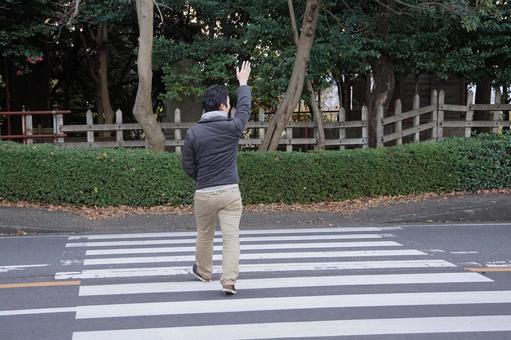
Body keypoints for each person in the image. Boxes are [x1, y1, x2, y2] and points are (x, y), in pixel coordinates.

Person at [181, 61, 252, 295]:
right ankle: (229, 281)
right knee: (231, 237)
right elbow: (245, 109)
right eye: (228, 104)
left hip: (204, 192)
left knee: (204, 234)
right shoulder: (232, 127)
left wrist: (202, 178)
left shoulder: (193, 133)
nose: (230, 107)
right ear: (223, 105)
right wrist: (243, 83)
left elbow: (188, 166)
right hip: (230, 192)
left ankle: (203, 272)